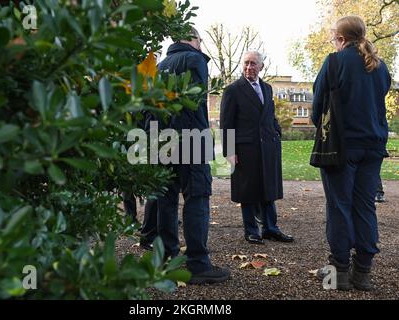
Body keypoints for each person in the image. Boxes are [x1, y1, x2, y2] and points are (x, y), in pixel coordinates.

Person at [312, 16, 391, 291]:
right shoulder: (380, 66)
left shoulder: (334, 61)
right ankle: (363, 272)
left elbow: (317, 106)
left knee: (339, 205)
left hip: (341, 146)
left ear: (341, 38)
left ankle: (339, 273)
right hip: (373, 145)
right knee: (365, 205)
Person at [157, 27, 230, 285]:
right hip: (190, 138)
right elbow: (194, 101)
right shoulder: (195, 59)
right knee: (197, 197)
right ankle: (197, 264)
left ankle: (167, 260)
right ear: (194, 40)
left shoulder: (161, 64)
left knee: (166, 200)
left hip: (161, 139)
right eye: (200, 40)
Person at [220, 51, 294, 245]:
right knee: (248, 191)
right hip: (245, 148)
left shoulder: (267, 88)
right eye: (245, 63)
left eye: (253, 64)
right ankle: (251, 230)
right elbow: (226, 123)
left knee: (269, 189)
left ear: (261, 66)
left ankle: (270, 228)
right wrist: (229, 151)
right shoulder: (233, 90)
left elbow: (270, 115)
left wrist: (276, 132)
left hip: (268, 146)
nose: (249, 67)